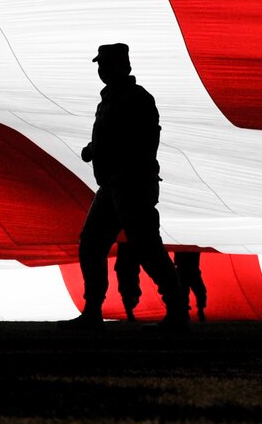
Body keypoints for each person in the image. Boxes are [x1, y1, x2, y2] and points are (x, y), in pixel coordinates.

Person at [70, 43, 186, 329]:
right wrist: (93, 149)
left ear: (124, 66)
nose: (102, 70)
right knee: (92, 244)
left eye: (107, 64)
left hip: (131, 185)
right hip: (112, 186)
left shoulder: (136, 98)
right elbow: (113, 138)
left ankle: (177, 312)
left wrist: (123, 166)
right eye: (100, 65)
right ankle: (93, 312)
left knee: (147, 249)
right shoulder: (110, 99)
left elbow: (145, 140)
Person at [173, 249, 208, 322]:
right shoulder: (190, 246)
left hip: (189, 270)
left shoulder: (183, 245)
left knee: (198, 293)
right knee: (186, 293)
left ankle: (197, 311)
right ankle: (189, 313)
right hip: (187, 270)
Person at [114, 240, 142, 321]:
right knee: (127, 290)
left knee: (127, 290)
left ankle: (129, 313)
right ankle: (129, 313)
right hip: (128, 267)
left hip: (126, 266)